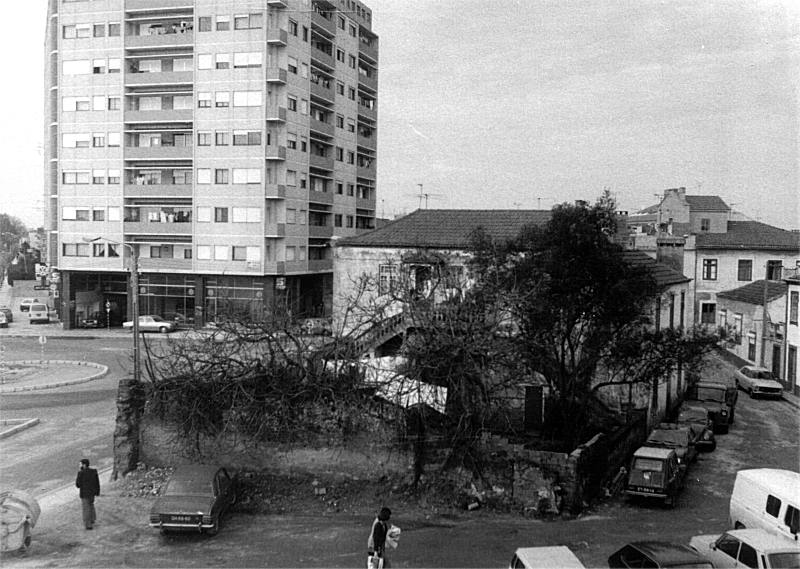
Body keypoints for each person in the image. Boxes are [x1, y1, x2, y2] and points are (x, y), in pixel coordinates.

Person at [75, 458, 100, 529]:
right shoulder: (93, 471)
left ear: (84, 465)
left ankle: (88, 524)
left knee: (86, 508)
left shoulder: (81, 473)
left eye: (80, 464)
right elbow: (97, 482)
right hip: (92, 492)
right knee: (91, 505)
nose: (79, 466)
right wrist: (97, 492)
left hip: (85, 494)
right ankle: (92, 519)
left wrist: (79, 474)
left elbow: (78, 485)